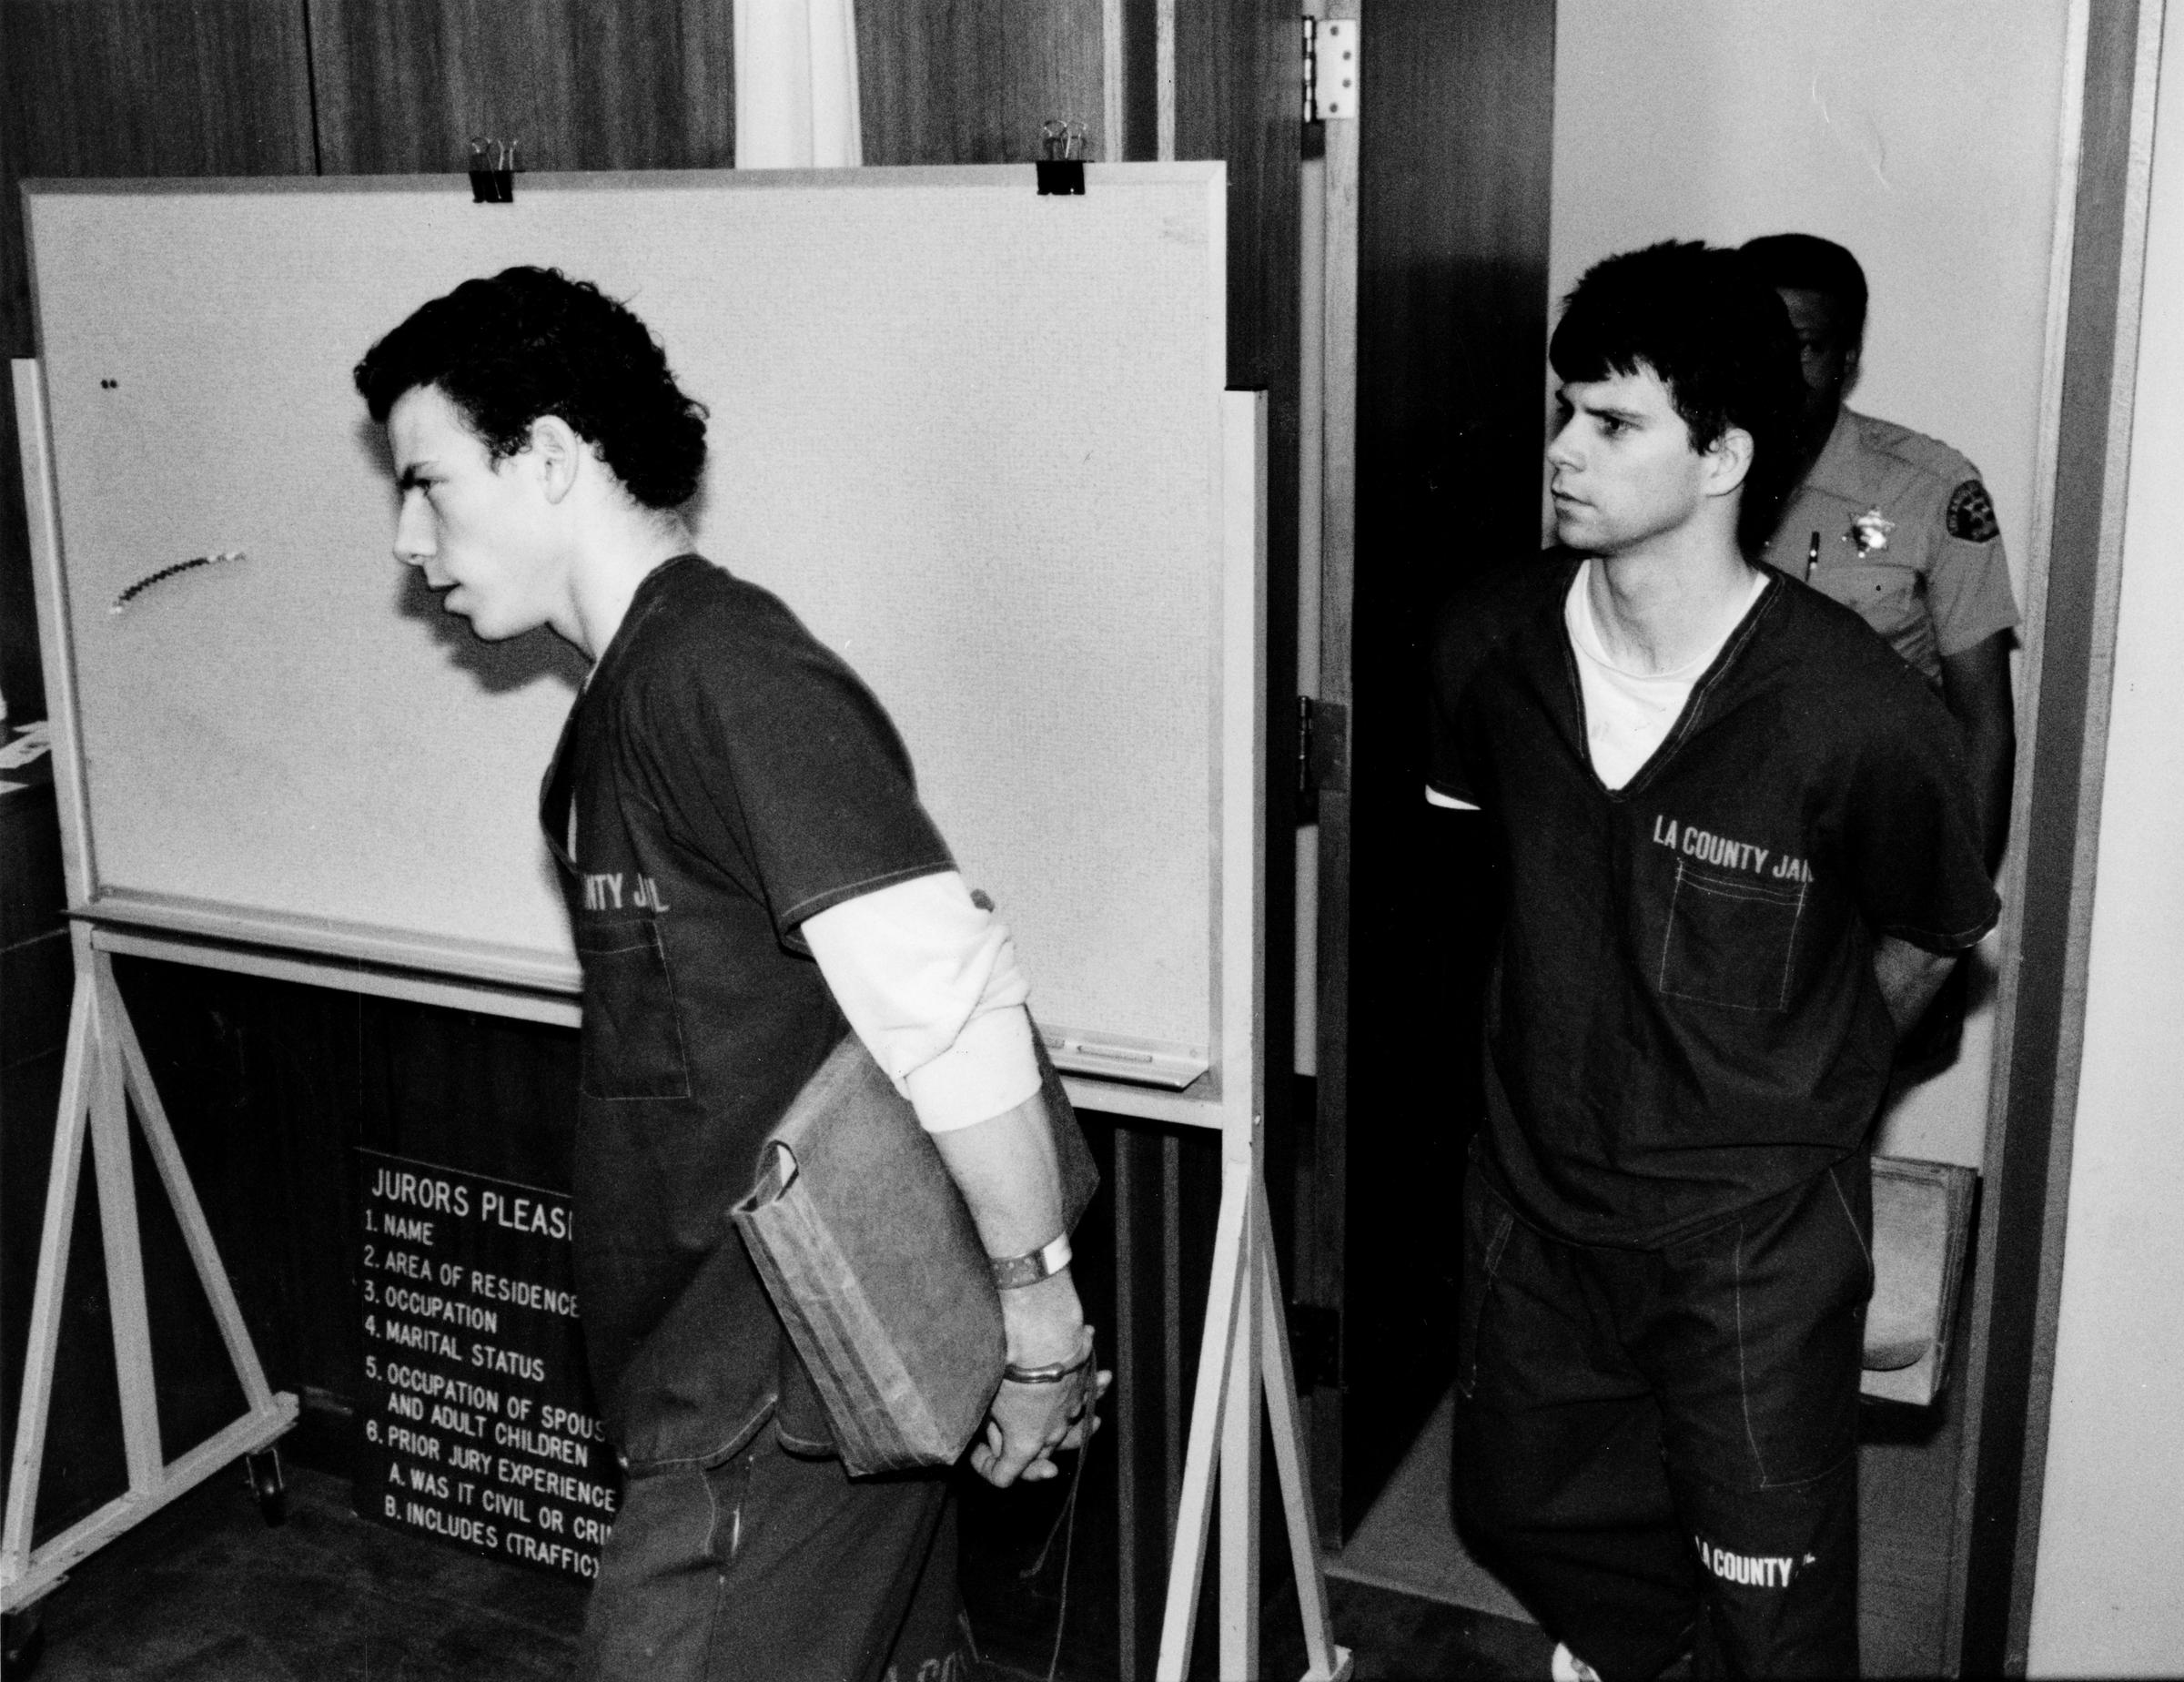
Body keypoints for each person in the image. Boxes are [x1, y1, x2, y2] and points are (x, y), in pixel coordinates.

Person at [353, 266, 1100, 1682]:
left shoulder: (721, 670)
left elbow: (949, 995)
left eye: (432, 483)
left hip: (785, 1392)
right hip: (731, 1374)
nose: (409, 538)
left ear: (555, 458)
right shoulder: (634, 688)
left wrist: (1038, 1318)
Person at [1427, 242, 1997, 1678]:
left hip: (1749, 1233)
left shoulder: (1856, 710)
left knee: (1775, 1608)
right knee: (1515, 1510)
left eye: (1613, 424)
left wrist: (1807, 1091)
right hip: (1536, 1202)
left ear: (1726, 452)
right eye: (1565, 409)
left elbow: (1936, 933)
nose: (1563, 450)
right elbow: (1484, 884)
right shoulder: (1486, 641)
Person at [1740, 232, 2017, 875]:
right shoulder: (1677, 478)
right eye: (1759, 343)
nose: (1778, 369)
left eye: (1805, 346)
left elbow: (1983, 723)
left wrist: (1949, 915)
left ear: (1847, 358)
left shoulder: (1929, 489)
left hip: (1872, 841)